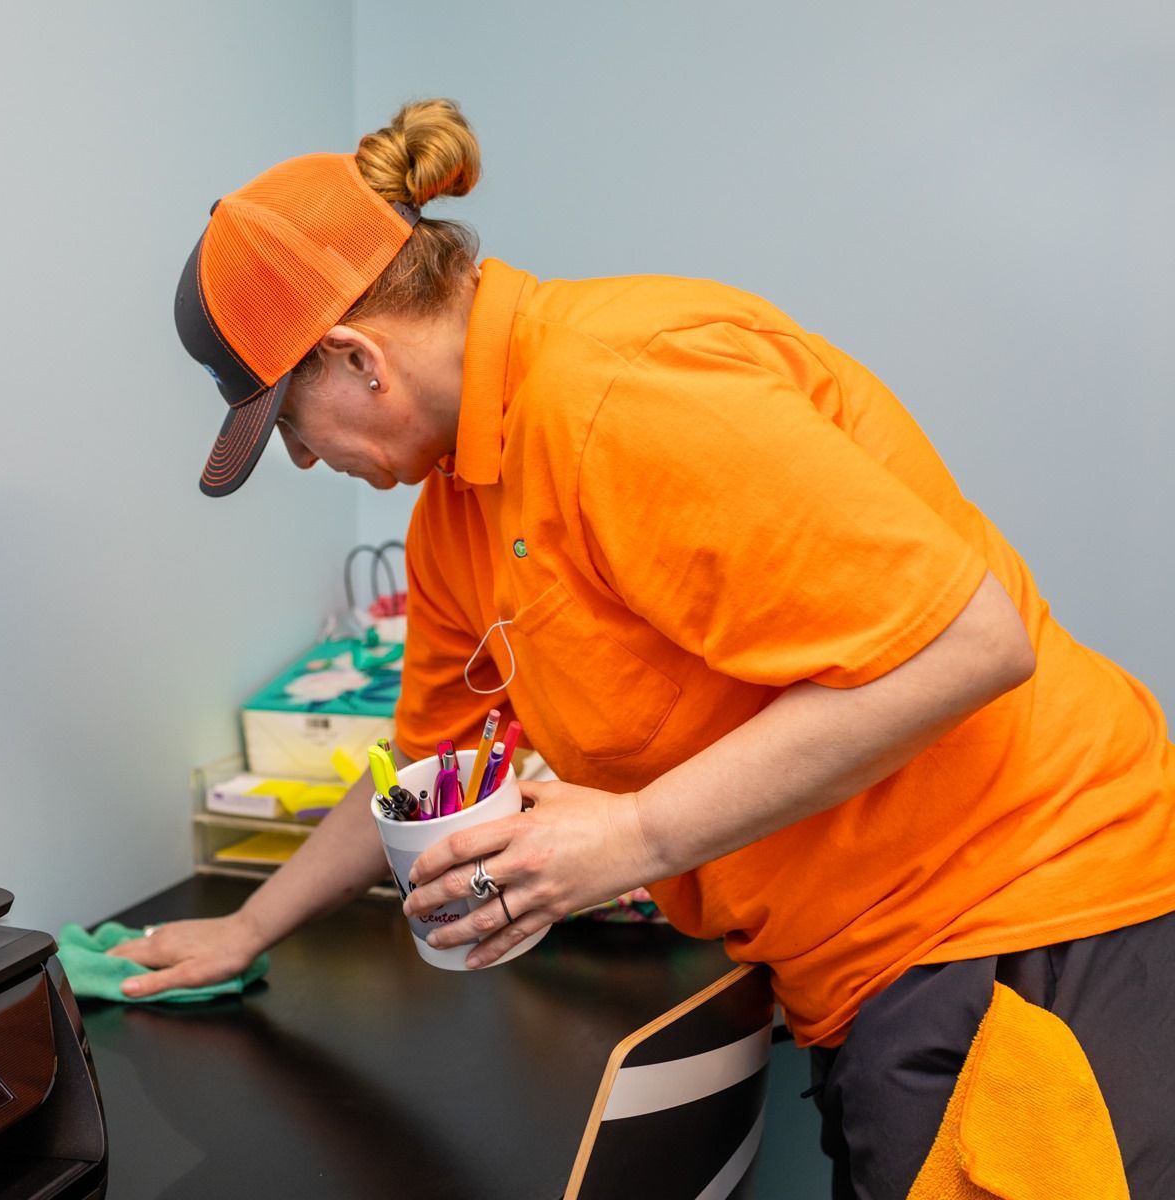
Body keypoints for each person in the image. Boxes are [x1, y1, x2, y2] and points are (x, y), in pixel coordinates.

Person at [115, 98, 1175, 1196]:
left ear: (356, 359)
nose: (299, 459)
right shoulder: (457, 513)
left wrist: (632, 835)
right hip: (860, 960)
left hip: (1024, 921)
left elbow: (969, 646)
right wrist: (247, 926)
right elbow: (424, 765)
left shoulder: (617, 393)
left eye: (289, 424)